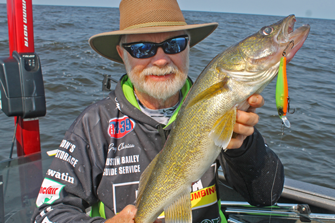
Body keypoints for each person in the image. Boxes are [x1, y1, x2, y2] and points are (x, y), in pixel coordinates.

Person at [32, 0, 284, 223]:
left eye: (174, 44)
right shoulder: (93, 125)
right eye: (142, 49)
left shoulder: (219, 106)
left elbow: (266, 195)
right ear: (122, 54)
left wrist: (242, 147)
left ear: (188, 47)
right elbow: (47, 213)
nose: (161, 60)